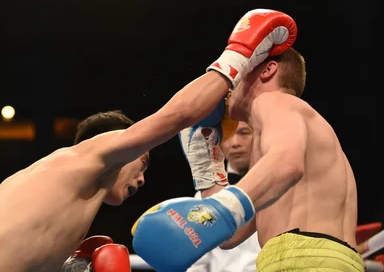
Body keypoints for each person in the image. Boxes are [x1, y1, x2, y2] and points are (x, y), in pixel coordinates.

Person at [0, 9, 297, 272]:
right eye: (141, 162)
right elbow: (177, 117)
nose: (142, 179)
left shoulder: (51, 185)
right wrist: (239, 55)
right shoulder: (88, 156)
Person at [132, 47, 362, 271]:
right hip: (317, 257)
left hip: (303, 259)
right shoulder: (284, 143)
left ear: (267, 70)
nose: (228, 86)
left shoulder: (275, 101)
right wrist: (206, 165)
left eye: (238, 73)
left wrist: (217, 209)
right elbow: (230, 235)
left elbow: (287, 164)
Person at [185, 121, 261, 272]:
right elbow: (198, 261)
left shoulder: (282, 185)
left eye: (244, 133)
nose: (235, 143)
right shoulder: (202, 197)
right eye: (228, 136)